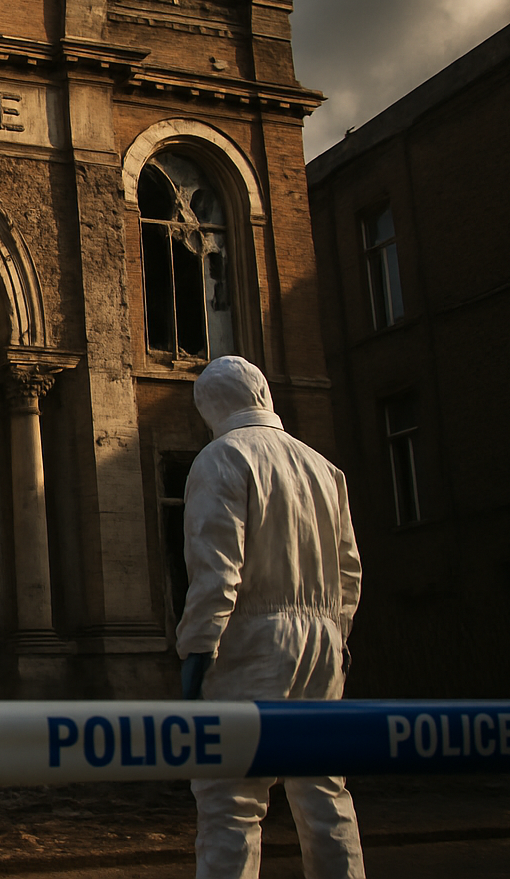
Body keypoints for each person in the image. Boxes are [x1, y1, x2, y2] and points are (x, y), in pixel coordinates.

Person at [176, 356, 365, 879]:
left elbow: (216, 574)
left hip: (252, 641)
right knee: (324, 791)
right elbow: (349, 569)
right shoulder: (324, 468)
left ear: (208, 406)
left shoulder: (221, 459)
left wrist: (196, 651)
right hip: (324, 640)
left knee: (230, 797)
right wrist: (338, 632)